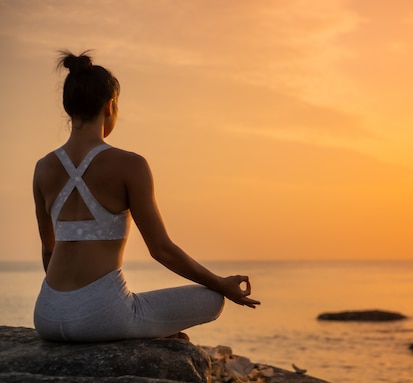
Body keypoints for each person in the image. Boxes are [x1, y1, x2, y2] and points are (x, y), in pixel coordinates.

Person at [32, 50, 260, 342]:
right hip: (101, 315)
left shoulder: (43, 168)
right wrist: (221, 284)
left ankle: (133, 325)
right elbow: (161, 249)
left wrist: (65, 306)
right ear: (110, 106)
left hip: (48, 315)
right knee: (213, 300)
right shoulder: (130, 164)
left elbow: (49, 251)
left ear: (68, 108)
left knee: (129, 305)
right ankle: (143, 329)